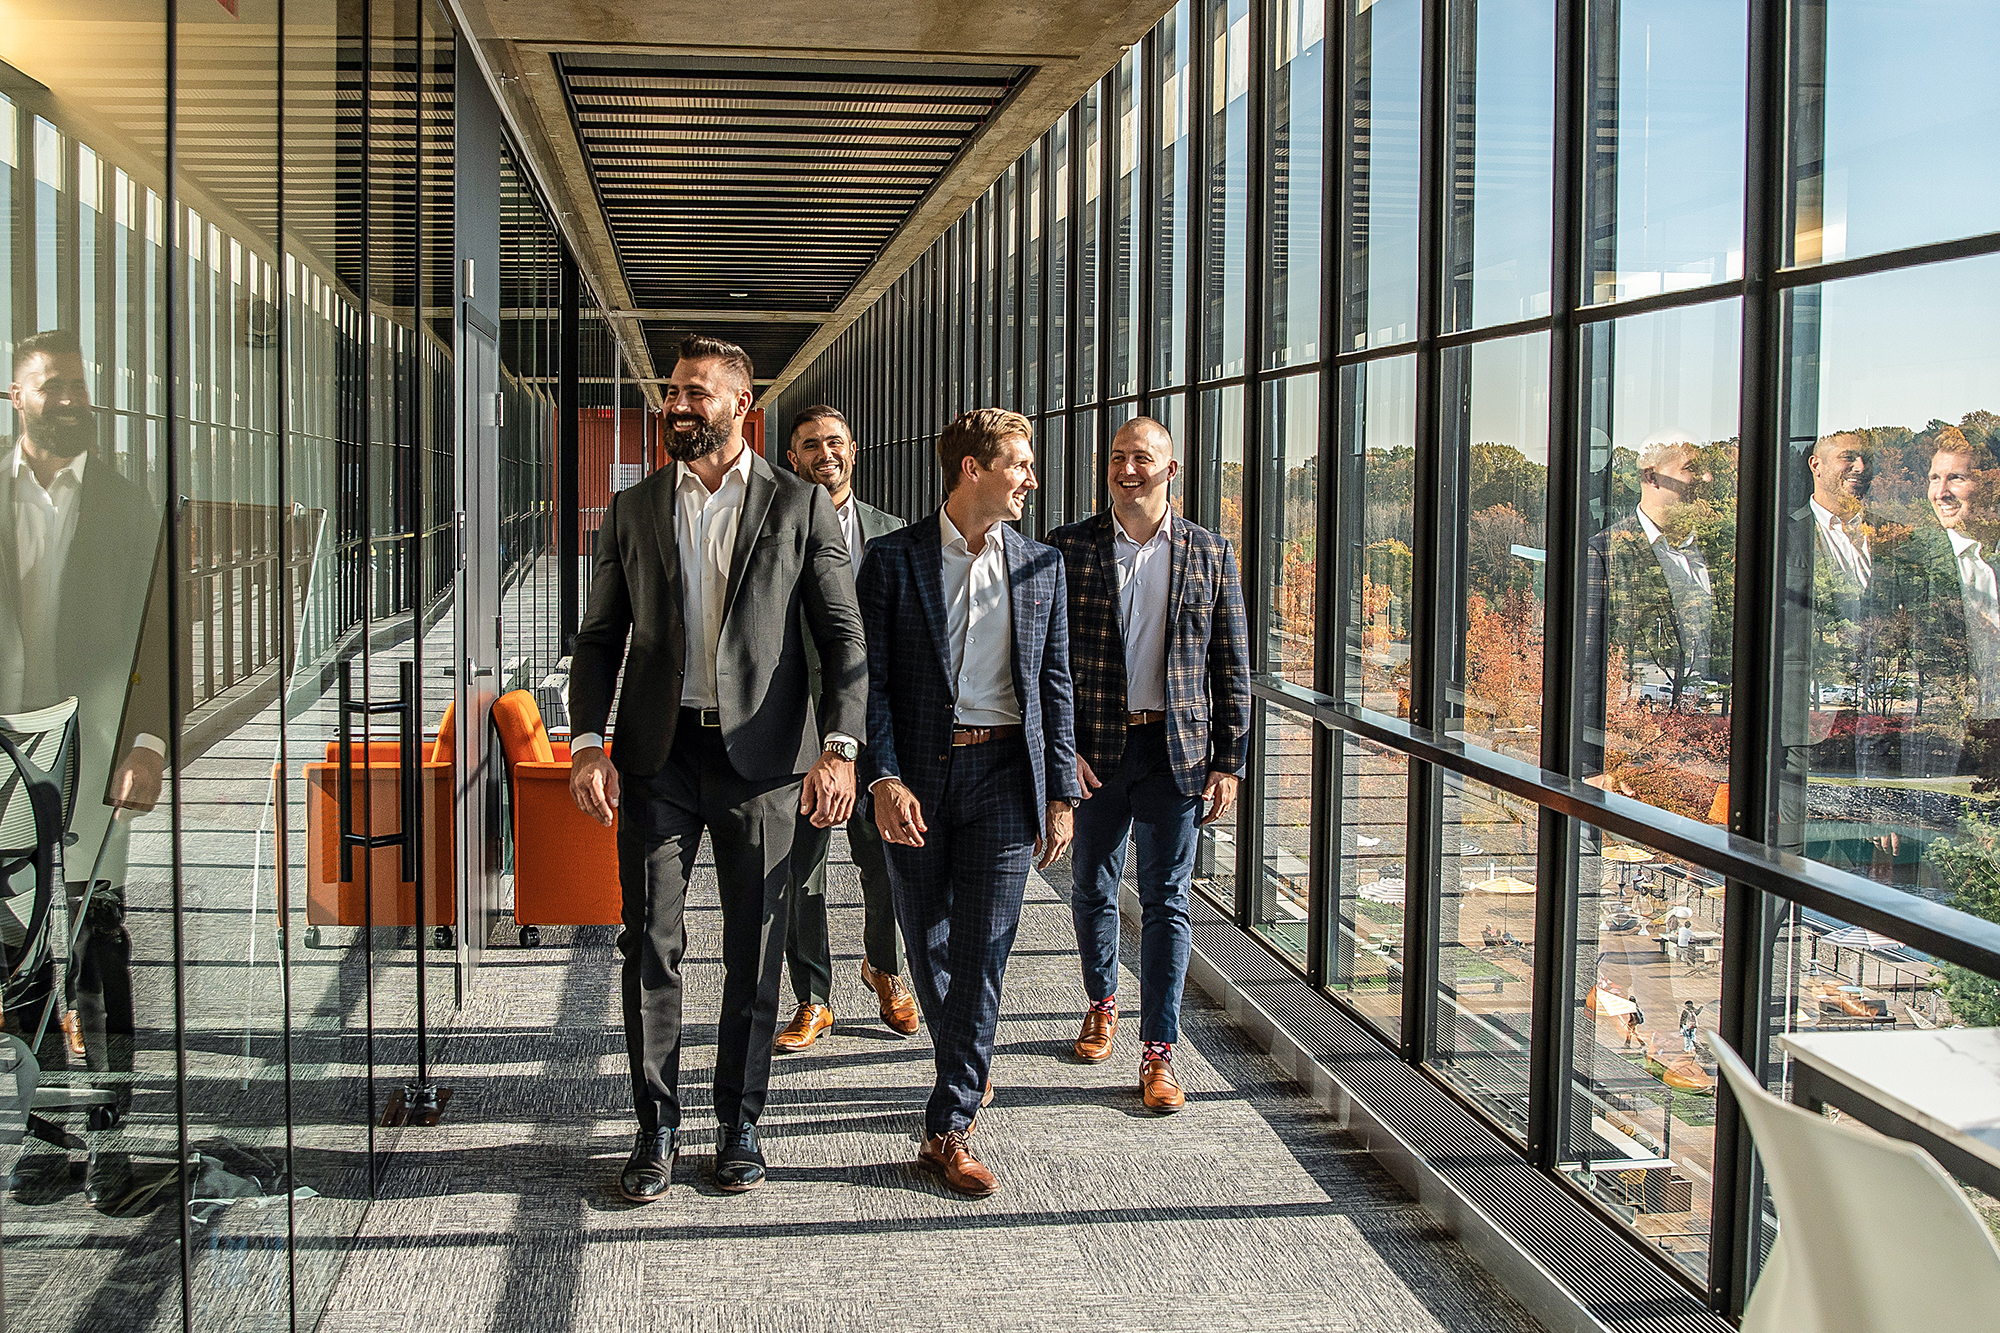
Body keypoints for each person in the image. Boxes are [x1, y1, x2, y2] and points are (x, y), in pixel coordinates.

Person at [568, 334, 868, 1202]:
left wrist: (840, 747)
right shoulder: (632, 507)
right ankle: (655, 1127)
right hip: (659, 756)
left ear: (743, 405)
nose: (678, 403)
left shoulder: (800, 505)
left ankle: (740, 1122)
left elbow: (843, 638)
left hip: (767, 763)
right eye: (673, 390)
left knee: (756, 949)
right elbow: (599, 639)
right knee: (650, 946)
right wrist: (588, 740)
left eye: (697, 391)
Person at [856, 408, 1080, 1198]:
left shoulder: (1040, 566)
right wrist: (882, 777)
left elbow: (1055, 687)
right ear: (971, 470)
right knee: (930, 941)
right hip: (916, 778)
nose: (1031, 479)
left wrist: (1060, 793)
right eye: (1019, 463)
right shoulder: (892, 560)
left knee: (986, 946)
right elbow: (871, 684)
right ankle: (968, 1058)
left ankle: (949, 1123)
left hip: (1002, 782)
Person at [1046, 417, 1248, 1113]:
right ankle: (1101, 1001)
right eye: (1117, 458)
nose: (1127, 469)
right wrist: (1057, 747)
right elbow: (1046, 660)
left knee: (1168, 901)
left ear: (1172, 470)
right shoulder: (1068, 547)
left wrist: (1230, 760)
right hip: (1094, 754)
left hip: (1177, 755)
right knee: (1092, 887)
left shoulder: (1210, 553)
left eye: (1142, 458)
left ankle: (1160, 1052)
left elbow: (1231, 664)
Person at [1, 331, 169, 1164]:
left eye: (79, 385)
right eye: (53, 386)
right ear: (15, 397)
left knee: (96, 930)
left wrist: (147, 740)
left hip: (95, 748)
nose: (71, 399)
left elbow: (160, 630)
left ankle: (111, 1122)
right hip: (4, 754)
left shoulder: (125, 501)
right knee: (18, 942)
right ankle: (42, 1127)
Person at [774, 404, 917, 1051]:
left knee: (885, 864)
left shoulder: (893, 535)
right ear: (792, 459)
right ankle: (813, 997)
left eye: (835, 441)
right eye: (811, 445)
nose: (824, 453)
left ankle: (883, 969)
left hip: (878, 738)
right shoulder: (774, 535)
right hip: (798, 736)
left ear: (853, 450)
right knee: (799, 873)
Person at [1581, 431, 1717, 779]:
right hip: (1635, 752)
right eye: (1691, 469)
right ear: (1651, 477)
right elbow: (1587, 668)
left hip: (1709, 754)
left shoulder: (1716, 550)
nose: (1706, 478)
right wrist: (1588, 766)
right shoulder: (1606, 553)